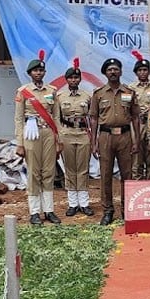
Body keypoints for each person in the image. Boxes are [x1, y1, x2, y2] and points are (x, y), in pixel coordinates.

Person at [14, 50, 63, 225]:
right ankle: (34, 212)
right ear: (30, 73)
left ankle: (49, 210)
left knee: (49, 171)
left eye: (41, 71)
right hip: (31, 133)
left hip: (48, 132)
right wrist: (19, 143)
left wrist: (59, 139)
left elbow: (56, 116)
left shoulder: (52, 91)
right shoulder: (23, 92)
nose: (38, 73)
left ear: (44, 73)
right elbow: (19, 119)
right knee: (34, 172)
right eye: (35, 71)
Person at [90, 58, 141, 225]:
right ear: (105, 73)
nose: (113, 72)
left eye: (116, 69)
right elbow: (94, 119)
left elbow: (135, 117)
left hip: (125, 136)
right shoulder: (98, 94)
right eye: (110, 69)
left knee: (127, 174)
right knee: (105, 174)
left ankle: (127, 209)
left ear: (120, 72)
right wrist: (93, 142)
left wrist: (137, 140)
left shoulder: (129, 92)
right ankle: (108, 211)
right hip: (105, 137)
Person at [57, 58, 94, 217]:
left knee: (83, 168)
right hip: (67, 134)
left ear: (80, 79)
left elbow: (92, 118)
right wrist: (59, 136)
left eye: (76, 78)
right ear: (66, 80)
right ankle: (72, 203)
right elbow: (56, 118)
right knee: (70, 168)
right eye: (71, 78)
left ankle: (84, 203)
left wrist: (92, 137)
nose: (74, 80)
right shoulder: (60, 96)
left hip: (83, 133)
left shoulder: (87, 96)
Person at [129, 51, 150, 180]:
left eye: (145, 70)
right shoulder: (130, 88)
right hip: (137, 124)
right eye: (140, 70)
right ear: (136, 72)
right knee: (136, 155)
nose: (143, 73)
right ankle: (137, 184)